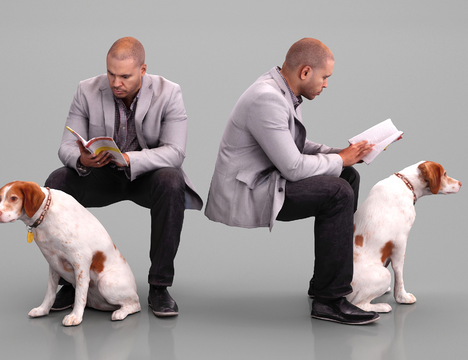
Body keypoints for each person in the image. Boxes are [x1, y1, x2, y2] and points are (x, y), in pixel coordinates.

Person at [205, 38, 378, 325]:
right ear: (306, 72)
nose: (326, 85)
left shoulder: (282, 89)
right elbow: (294, 167)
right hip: (252, 189)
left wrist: (342, 154)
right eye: (324, 77)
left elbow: (294, 143)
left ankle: (326, 282)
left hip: (270, 176)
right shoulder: (267, 97)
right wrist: (340, 159)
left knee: (348, 175)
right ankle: (329, 300)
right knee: (338, 191)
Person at [45, 37, 203, 317]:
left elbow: (176, 152)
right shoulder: (86, 89)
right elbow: (65, 146)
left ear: (143, 70)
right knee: (56, 183)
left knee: (172, 180)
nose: (116, 82)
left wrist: (131, 159)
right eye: (111, 74)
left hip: (145, 175)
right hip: (99, 173)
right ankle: (71, 281)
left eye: (125, 76)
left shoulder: (170, 93)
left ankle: (159, 287)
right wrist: (82, 159)